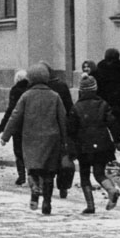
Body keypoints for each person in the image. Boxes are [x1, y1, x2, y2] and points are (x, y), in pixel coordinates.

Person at [0, 63, 67, 215]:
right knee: (49, 173)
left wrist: (6, 135)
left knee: (32, 169)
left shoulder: (26, 96)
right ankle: (47, 203)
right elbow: (62, 119)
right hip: (51, 139)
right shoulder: (54, 96)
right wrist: (65, 139)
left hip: (31, 138)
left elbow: (15, 116)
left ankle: (35, 191)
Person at [67, 74, 120, 214]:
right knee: (99, 173)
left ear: (81, 91)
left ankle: (90, 205)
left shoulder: (76, 108)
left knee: (85, 176)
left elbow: (71, 131)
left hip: (84, 147)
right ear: (95, 89)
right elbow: (112, 123)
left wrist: (71, 149)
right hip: (102, 145)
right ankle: (111, 189)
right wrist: (116, 140)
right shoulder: (103, 104)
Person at [39, 61, 74, 197]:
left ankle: (46, 186)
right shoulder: (61, 86)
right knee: (61, 158)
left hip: (46, 128)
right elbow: (70, 107)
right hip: (61, 127)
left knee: (47, 159)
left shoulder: (40, 88)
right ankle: (63, 187)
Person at [94, 48, 120, 142]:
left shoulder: (100, 67)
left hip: (105, 100)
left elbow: (98, 86)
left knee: (107, 122)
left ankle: (109, 139)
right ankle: (119, 140)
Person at [0, 69, 29, 185]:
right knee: (29, 151)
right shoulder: (30, 89)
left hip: (18, 125)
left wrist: (2, 126)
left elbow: (11, 110)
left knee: (18, 151)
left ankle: (21, 176)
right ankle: (31, 174)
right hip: (29, 124)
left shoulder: (15, 90)